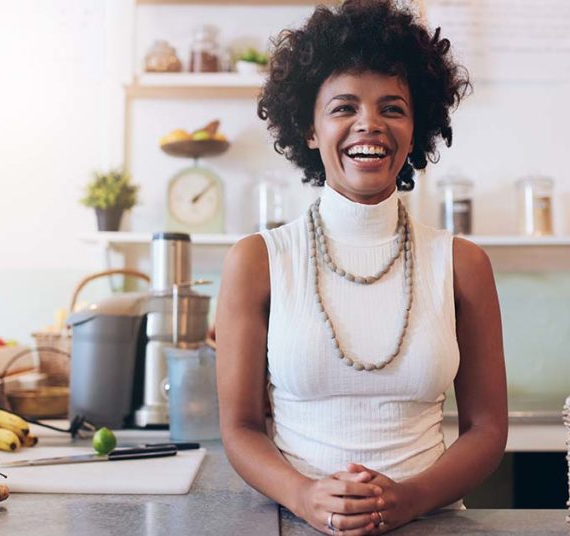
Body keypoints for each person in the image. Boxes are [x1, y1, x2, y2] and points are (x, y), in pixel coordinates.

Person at [214, 1, 507, 534]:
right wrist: (305, 496)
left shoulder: (463, 264)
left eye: (392, 108)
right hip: (297, 524)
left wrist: (411, 498)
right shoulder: (258, 261)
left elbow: (487, 430)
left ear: (417, 129)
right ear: (309, 128)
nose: (368, 124)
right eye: (343, 107)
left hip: (432, 523)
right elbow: (239, 428)